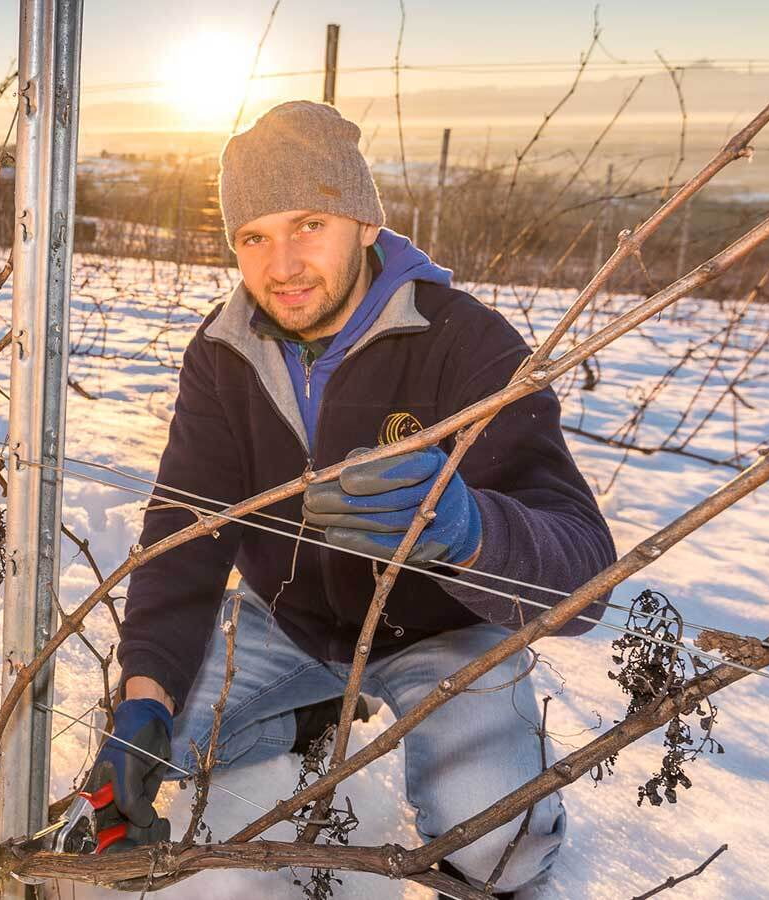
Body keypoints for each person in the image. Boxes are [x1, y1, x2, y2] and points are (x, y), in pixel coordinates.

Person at [79, 101, 617, 898]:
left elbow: (586, 579)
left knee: (491, 850)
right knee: (148, 758)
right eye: (253, 237)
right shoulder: (227, 349)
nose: (283, 264)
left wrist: (462, 528)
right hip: (286, 622)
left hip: (444, 632)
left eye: (309, 224)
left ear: (365, 223)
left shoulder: (464, 343)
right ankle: (310, 713)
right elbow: (186, 527)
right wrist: (146, 691)